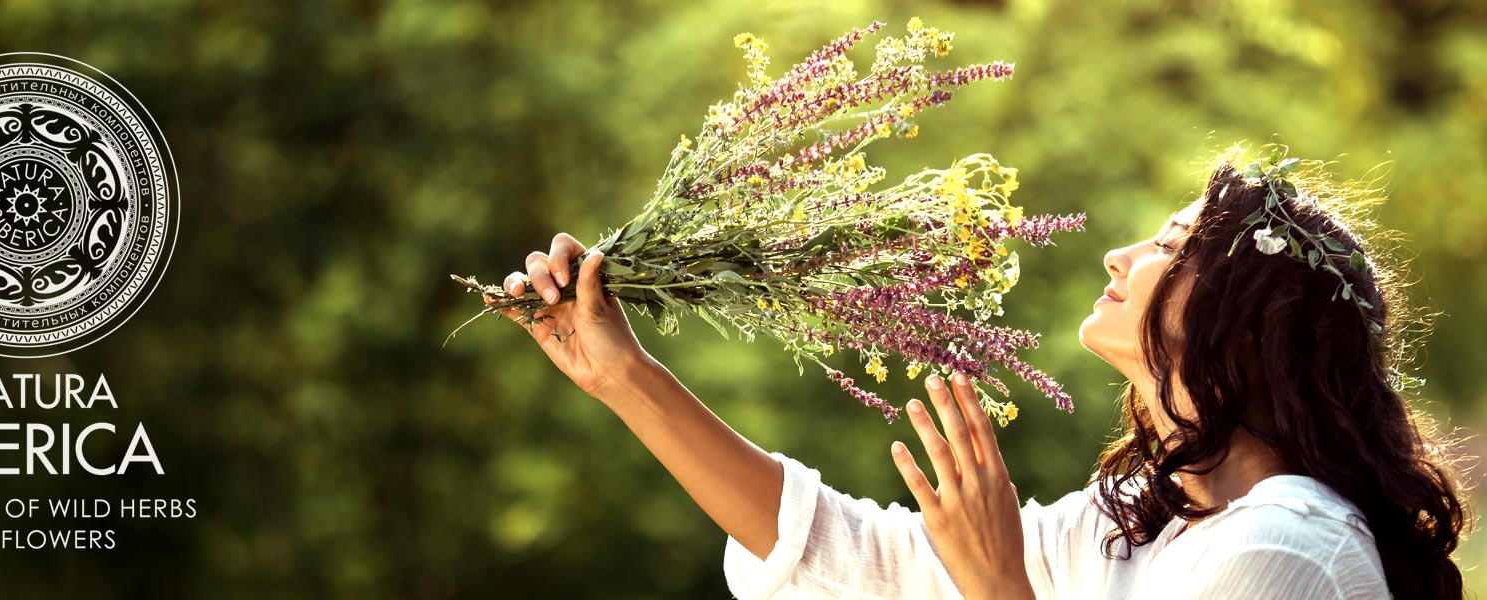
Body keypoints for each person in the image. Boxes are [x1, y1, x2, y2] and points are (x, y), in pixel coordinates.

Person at [486, 149, 1469, 599]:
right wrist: (626, 380)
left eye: (1170, 244)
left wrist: (998, 583)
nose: (1118, 257)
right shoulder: (1137, 524)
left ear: (1248, 324)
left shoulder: (1283, 556)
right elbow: (860, 564)